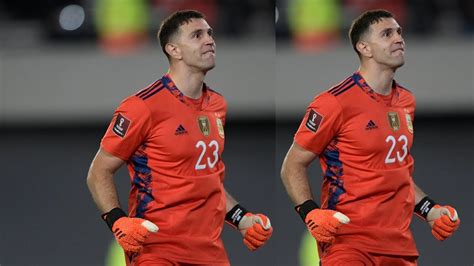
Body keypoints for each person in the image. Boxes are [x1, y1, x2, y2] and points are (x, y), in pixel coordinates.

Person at [86, 10, 272, 265]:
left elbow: (208, 178)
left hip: (209, 251)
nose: (209, 40)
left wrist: (241, 218)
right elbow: (98, 172)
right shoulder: (142, 107)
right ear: (174, 50)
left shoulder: (217, 104)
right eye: (197, 35)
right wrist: (118, 221)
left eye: (210, 33)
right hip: (157, 251)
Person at [280, 10, 460, 265]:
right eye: (387, 33)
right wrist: (310, 212)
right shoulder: (334, 102)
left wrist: (430, 209)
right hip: (349, 244)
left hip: (399, 246)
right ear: (364, 47)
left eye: (399, 32)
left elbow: (396, 172)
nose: (398, 38)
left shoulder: (406, 101)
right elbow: (292, 164)